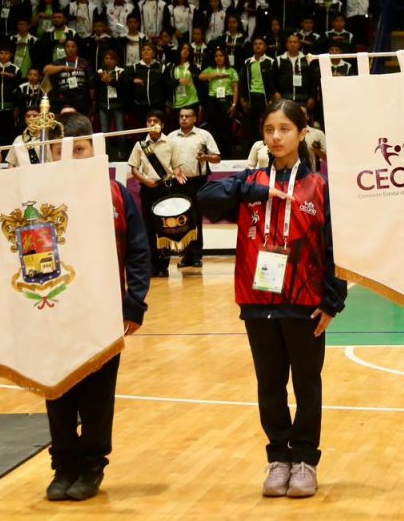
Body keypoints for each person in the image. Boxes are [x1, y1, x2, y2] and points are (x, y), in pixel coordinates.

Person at [197, 98, 346, 499]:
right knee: (270, 384)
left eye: (284, 129)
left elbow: (337, 248)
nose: (276, 137)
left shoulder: (320, 187)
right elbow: (205, 198)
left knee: (307, 385)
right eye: (269, 130)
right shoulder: (251, 181)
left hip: (304, 302)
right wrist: (251, 188)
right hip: (257, 299)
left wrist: (332, 301)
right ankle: (279, 457)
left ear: (302, 133)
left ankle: (305, 460)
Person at [42, 112, 149, 502]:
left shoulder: (116, 194)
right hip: (54, 310)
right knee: (58, 391)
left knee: (97, 395)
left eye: (79, 150)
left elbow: (139, 251)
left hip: (104, 312)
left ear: (94, 149)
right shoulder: (38, 197)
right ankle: (63, 464)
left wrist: (134, 304)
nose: (69, 158)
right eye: (59, 151)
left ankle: (91, 465)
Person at [127, 111, 186, 278]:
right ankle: (152, 264)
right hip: (148, 189)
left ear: (162, 125)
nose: (152, 124)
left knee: (165, 227)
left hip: (166, 189)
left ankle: (163, 265)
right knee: (149, 227)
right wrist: (146, 181)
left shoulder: (171, 143)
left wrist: (177, 174)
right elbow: (134, 169)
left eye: (155, 121)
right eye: (149, 121)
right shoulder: (140, 145)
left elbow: (176, 167)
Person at [167, 108, 219, 270]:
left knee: (196, 219)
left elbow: (217, 158)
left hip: (198, 182)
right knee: (181, 220)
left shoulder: (204, 135)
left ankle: (196, 255)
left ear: (195, 118)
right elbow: (164, 160)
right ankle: (185, 255)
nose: (184, 119)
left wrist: (206, 157)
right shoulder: (171, 137)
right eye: (181, 116)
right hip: (178, 182)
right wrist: (173, 171)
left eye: (187, 116)